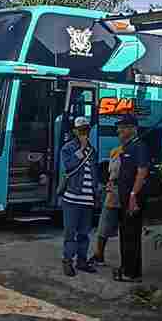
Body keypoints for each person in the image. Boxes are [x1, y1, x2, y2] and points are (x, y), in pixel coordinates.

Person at [111, 114, 150, 282]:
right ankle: (126, 267)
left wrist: (133, 195)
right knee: (125, 233)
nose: (119, 130)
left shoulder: (139, 147)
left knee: (131, 234)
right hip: (124, 196)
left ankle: (132, 273)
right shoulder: (126, 147)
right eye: (119, 127)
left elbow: (142, 172)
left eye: (123, 127)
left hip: (133, 198)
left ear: (133, 129)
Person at [59, 116, 99, 277]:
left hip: (88, 199)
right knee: (70, 233)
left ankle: (81, 261)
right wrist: (81, 149)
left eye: (86, 130)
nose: (84, 133)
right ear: (75, 131)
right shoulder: (68, 148)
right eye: (81, 130)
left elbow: (94, 173)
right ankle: (67, 261)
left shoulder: (92, 150)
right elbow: (69, 166)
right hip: (72, 199)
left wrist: (96, 192)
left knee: (84, 233)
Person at [92, 146, 122, 266]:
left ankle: (99, 256)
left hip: (119, 193)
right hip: (113, 192)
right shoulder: (115, 151)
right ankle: (99, 255)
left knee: (104, 226)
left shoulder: (132, 151)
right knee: (104, 226)